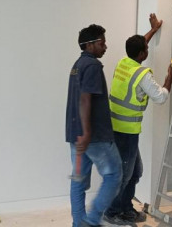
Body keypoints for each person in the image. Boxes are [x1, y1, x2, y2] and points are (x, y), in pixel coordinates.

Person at [104, 14, 172, 225]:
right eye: (145, 49)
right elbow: (161, 97)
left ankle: (126, 208)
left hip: (118, 129)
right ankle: (112, 212)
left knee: (136, 171)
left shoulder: (124, 62)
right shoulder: (142, 75)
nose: (147, 50)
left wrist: (153, 30)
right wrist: (170, 76)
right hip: (126, 131)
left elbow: (139, 43)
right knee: (124, 174)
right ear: (141, 54)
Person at [66, 24, 123, 227]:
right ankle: (91, 220)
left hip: (76, 137)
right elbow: (85, 99)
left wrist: (81, 133)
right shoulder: (92, 66)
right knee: (114, 174)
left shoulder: (77, 65)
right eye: (102, 43)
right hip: (94, 137)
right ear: (89, 45)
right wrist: (88, 132)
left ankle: (79, 224)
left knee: (78, 180)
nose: (105, 47)